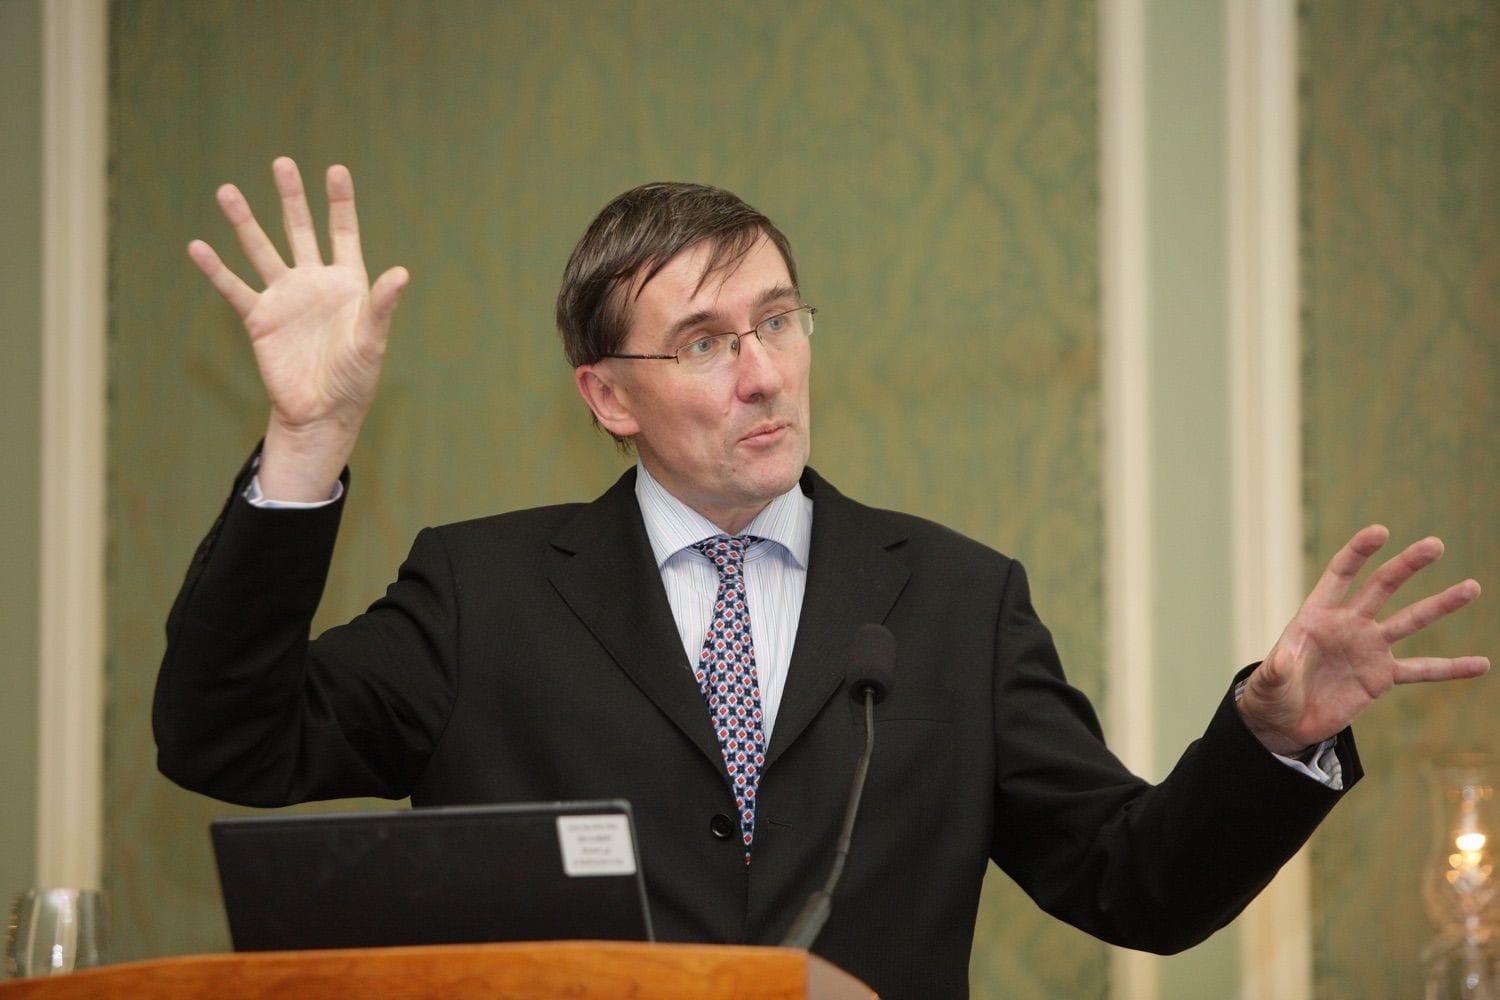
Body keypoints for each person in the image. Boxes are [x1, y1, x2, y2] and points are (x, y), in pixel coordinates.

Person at [156, 158, 1488, 997]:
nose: (764, 371)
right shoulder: (480, 592)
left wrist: (1265, 733)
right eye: (705, 340)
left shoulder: (957, 605)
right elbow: (227, 737)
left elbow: (1134, 886)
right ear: (606, 396)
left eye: (779, 320)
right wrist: (311, 438)